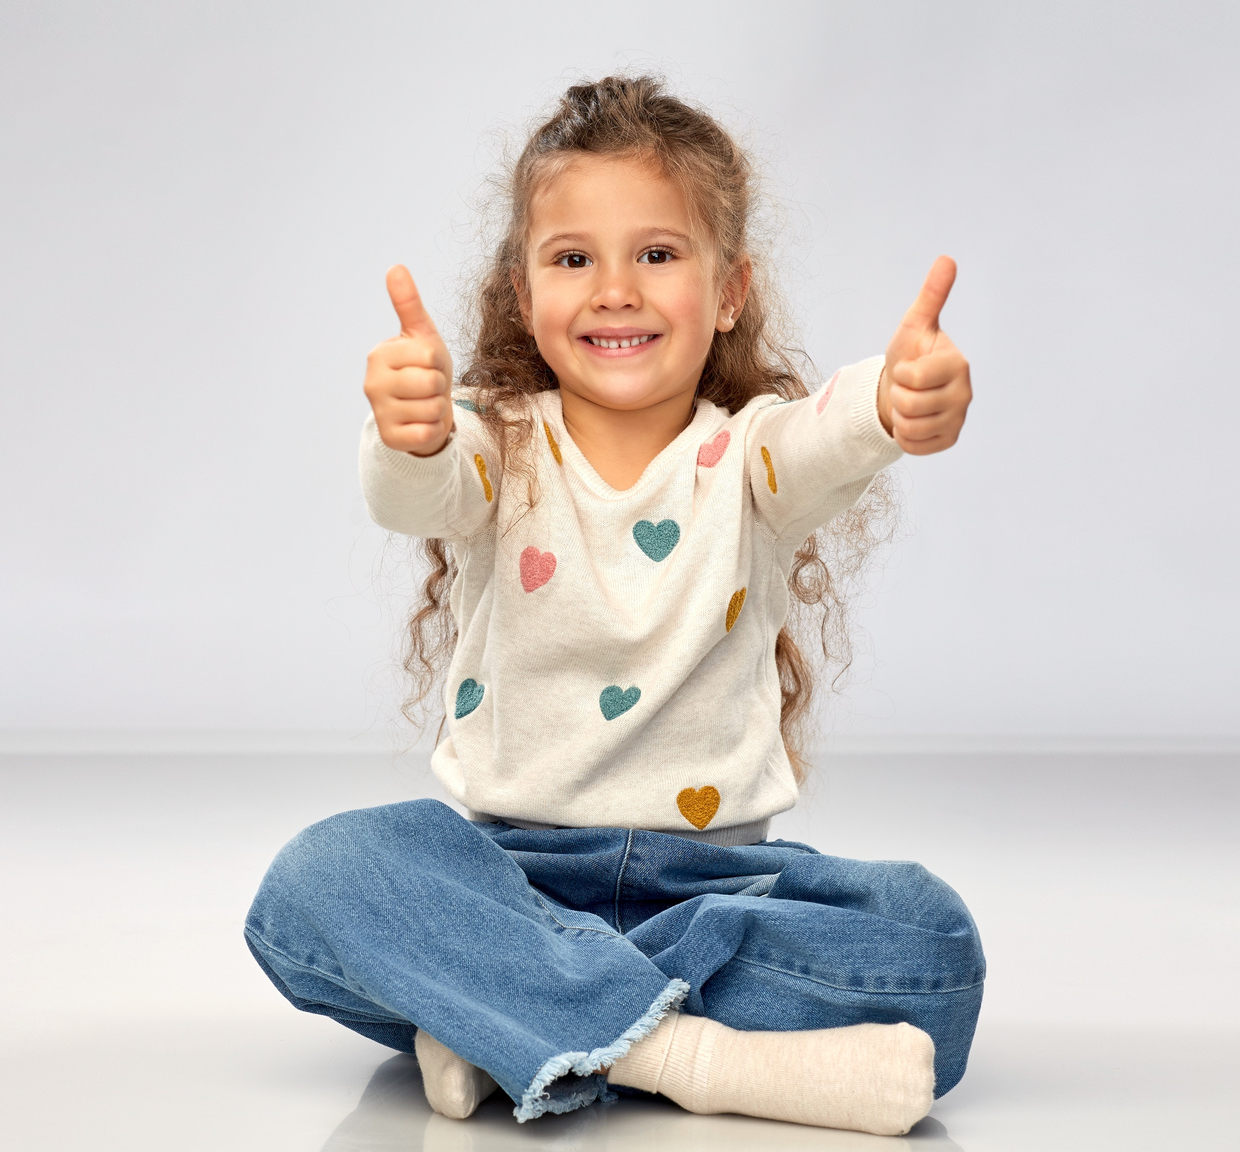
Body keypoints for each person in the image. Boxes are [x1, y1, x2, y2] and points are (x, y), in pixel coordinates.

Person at [245, 74, 981, 1136]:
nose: (615, 289)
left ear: (730, 290)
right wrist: (404, 430)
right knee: (322, 879)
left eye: (659, 254)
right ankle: (688, 1058)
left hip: (719, 891)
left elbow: (834, 428)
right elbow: (419, 484)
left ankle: (509, 1020)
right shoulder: (496, 444)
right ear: (524, 289)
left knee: (934, 947)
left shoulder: (753, 457)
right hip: (509, 875)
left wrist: (896, 398)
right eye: (574, 258)